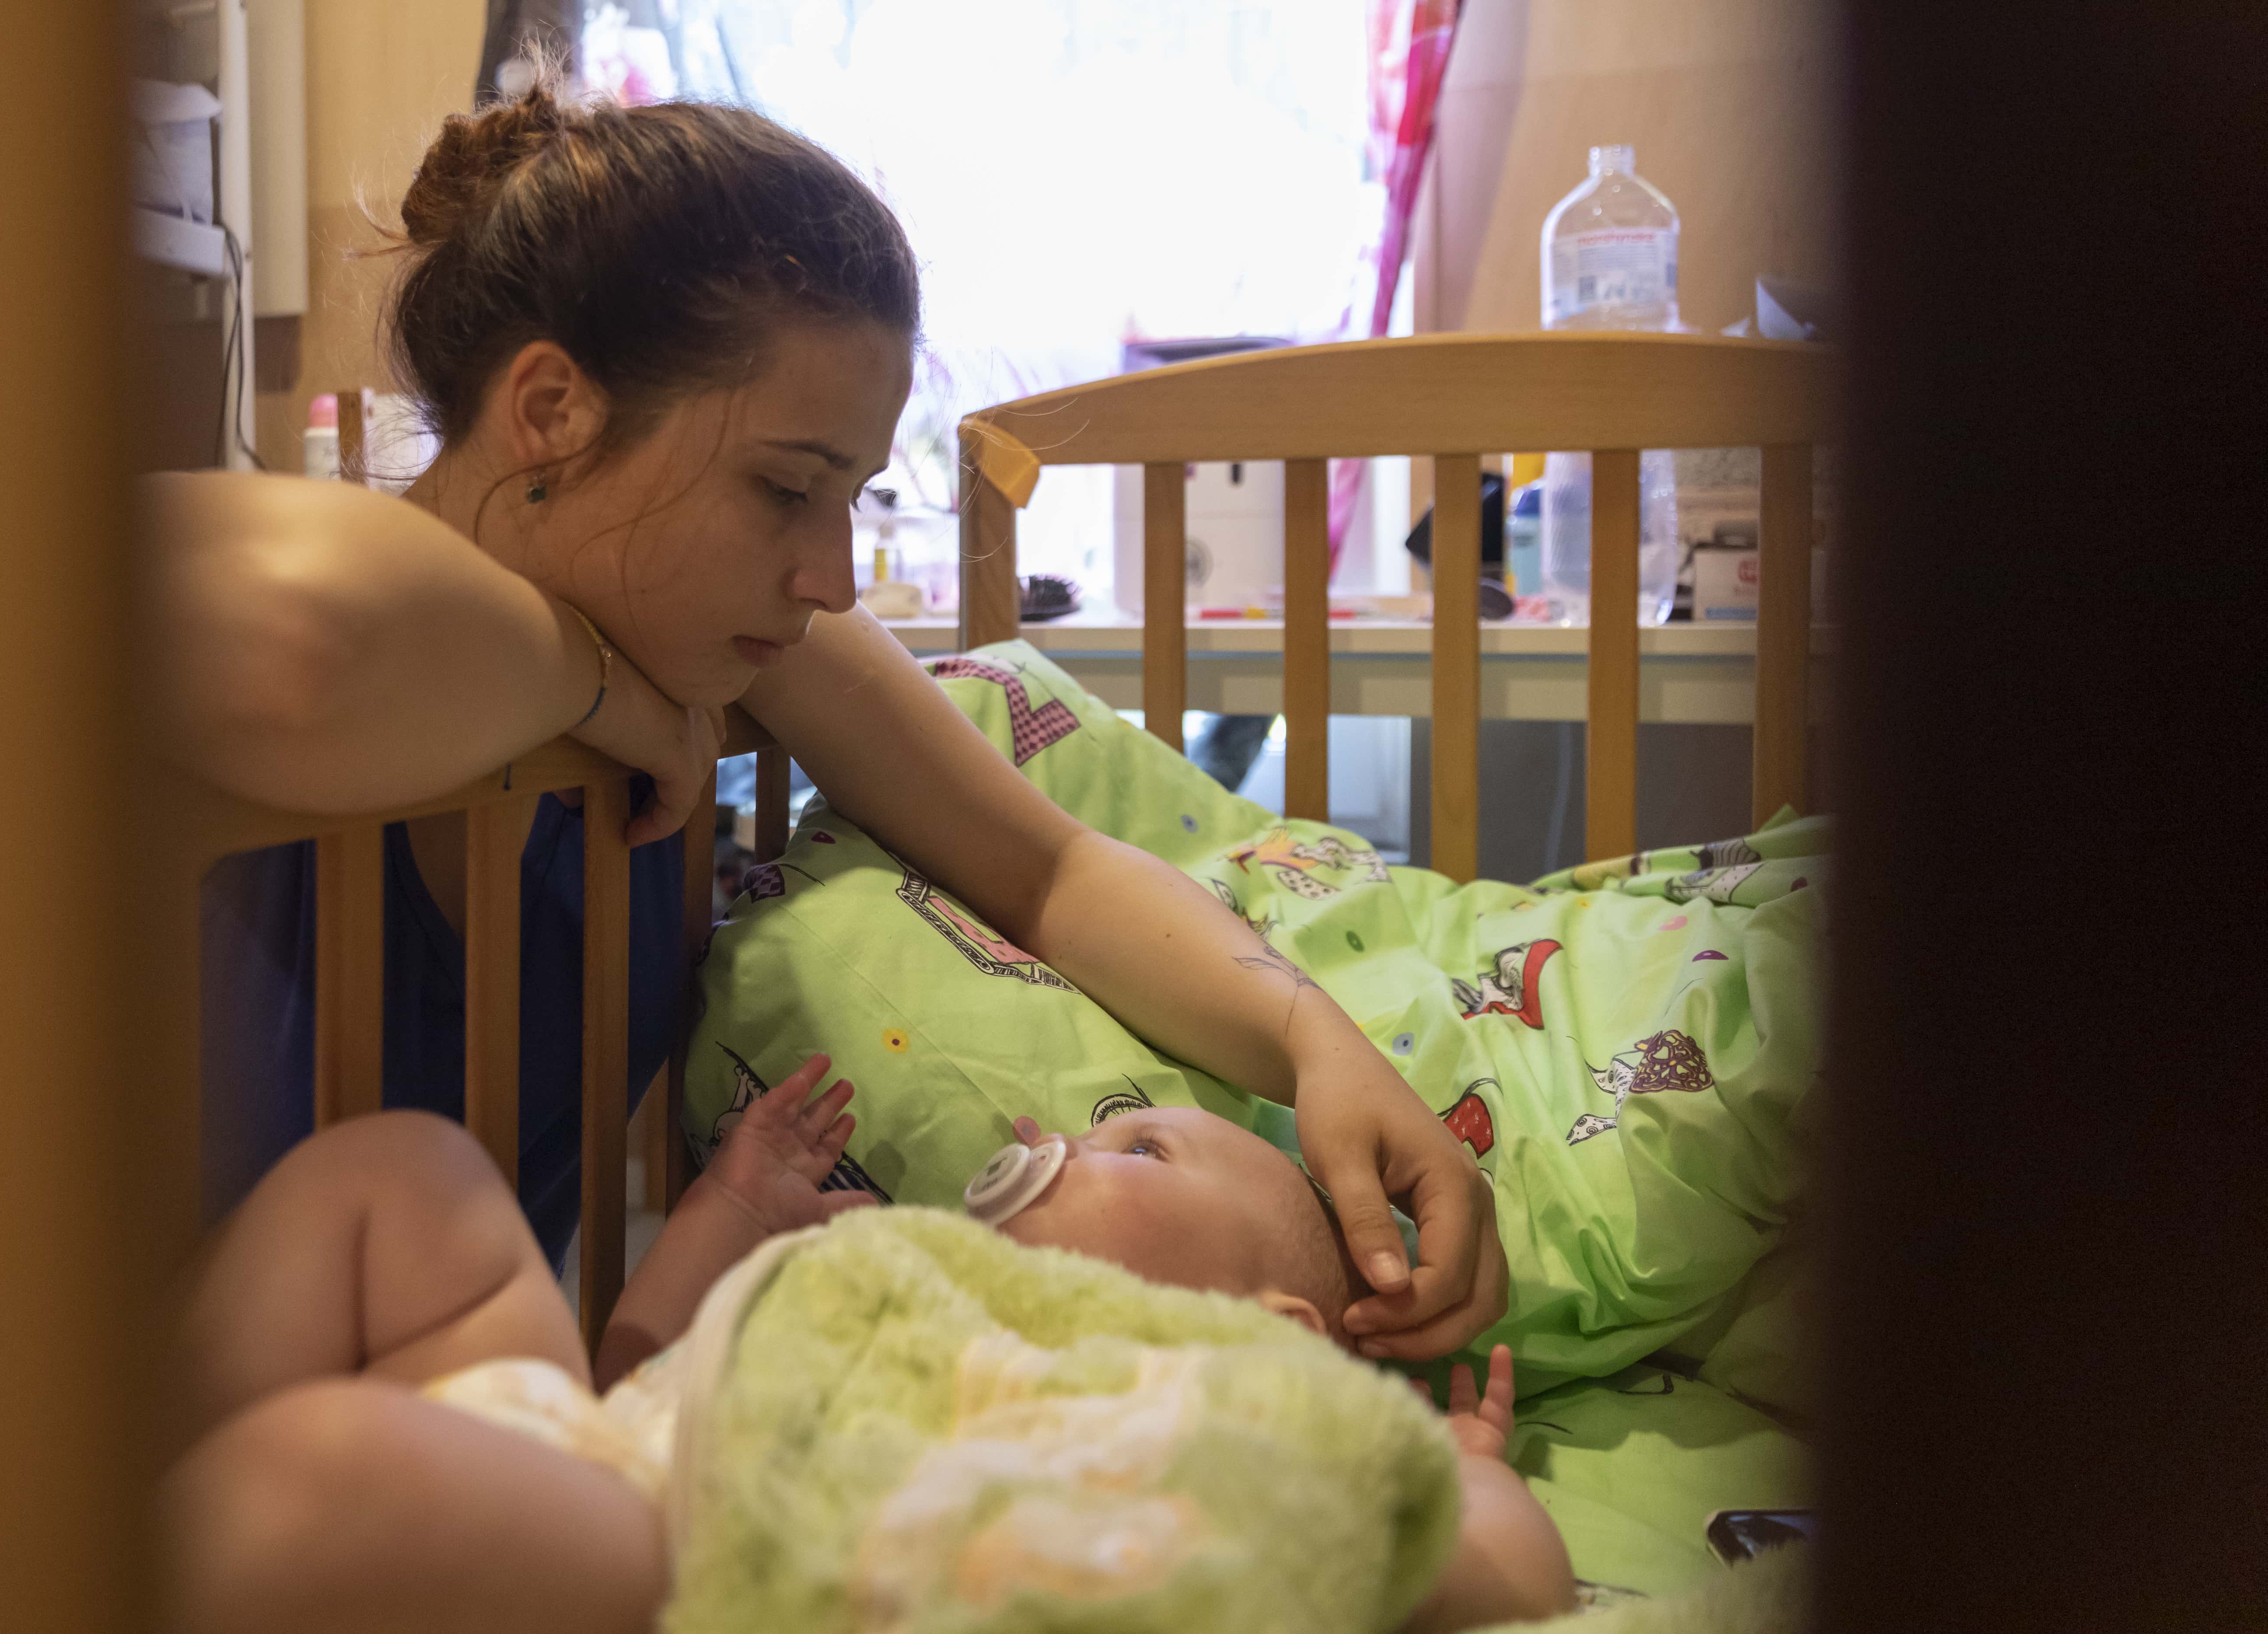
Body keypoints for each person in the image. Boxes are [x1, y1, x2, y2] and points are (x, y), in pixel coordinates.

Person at [155, 78, 1503, 1356]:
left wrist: (1315, 1044)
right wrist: (601, 696)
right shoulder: (375, 635)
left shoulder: (728, 643)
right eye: (785, 488)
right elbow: (297, 629)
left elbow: (1051, 869)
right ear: (552, 411)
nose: (834, 576)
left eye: (851, 495)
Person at [169, 1066, 1573, 1634]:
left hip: (706, 1565)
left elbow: (1506, 1579)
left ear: (1269, 1329)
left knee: (319, 1480)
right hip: (611, 1451)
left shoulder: (1228, 1399)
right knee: (405, 1181)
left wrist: (1459, 1466)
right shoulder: (897, 1274)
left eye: (1135, 1148)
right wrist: (728, 1210)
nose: (1058, 1144)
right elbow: (641, 1369)